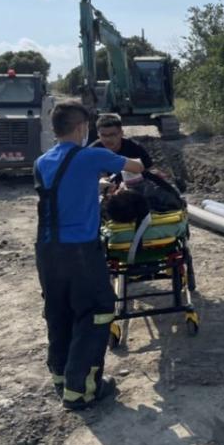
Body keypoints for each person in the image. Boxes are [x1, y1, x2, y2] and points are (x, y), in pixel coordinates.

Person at [34, 102, 145, 410]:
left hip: (46, 251)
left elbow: (62, 191)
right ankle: (81, 389)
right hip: (80, 252)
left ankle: (61, 378)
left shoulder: (42, 162)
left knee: (59, 312)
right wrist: (132, 163)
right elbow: (136, 166)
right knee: (96, 311)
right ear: (82, 128)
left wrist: (95, 184)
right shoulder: (91, 156)